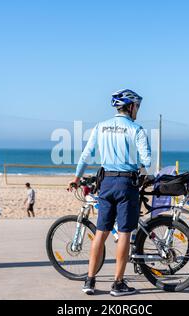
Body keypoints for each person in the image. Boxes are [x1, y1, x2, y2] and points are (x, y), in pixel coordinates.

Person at [68, 89, 151, 297]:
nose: (137, 111)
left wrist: (77, 179)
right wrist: (137, 166)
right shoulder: (136, 129)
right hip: (126, 183)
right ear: (130, 106)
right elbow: (147, 161)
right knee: (124, 233)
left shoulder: (100, 126)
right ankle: (118, 283)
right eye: (137, 107)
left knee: (101, 232)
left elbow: (86, 155)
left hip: (105, 182)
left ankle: (89, 280)